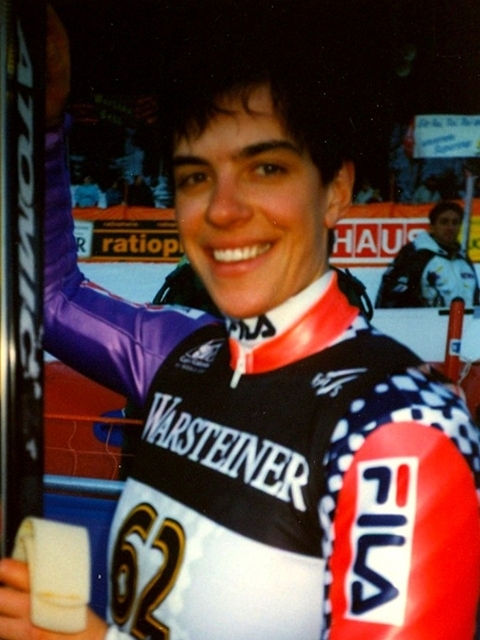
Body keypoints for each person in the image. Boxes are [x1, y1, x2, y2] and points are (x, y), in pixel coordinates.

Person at [1, 5, 480, 640]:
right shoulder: (181, 351)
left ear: (336, 190)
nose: (223, 210)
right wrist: (44, 125)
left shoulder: (398, 423)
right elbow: (49, 295)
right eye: (196, 177)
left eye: (266, 168)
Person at [376, 200, 480, 308]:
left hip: (465, 318)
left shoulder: (463, 259)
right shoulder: (416, 255)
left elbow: (476, 301)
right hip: (424, 318)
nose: (450, 228)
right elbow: (390, 298)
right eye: (444, 222)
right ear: (431, 227)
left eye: (455, 223)